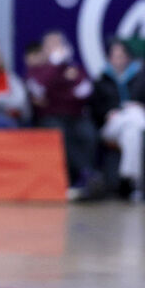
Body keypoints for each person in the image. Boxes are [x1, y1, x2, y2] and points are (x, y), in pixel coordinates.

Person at [26, 31, 99, 198]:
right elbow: (38, 90)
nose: (56, 49)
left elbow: (84, 91)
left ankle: (84, 179)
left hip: (75, 115)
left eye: (58, 44)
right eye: (51, 45)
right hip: (49, 116)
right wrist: (54, 68)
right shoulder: (37, 69)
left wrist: (55, 95)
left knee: (88, 133)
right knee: (60, 135)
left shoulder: (73, 69)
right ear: (44, 50)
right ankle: (86, 175)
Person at [91, 38, 145, 200]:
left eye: (121, 56)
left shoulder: (141, 79)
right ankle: (136, 182)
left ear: (128, 57)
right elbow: (94, 109)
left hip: (132, 125)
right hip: (110, 126)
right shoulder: (101, 81)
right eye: (115, 56)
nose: (118, 60)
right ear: (109, 58)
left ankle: (129, 178)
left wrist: (142, 107)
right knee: (137, 118)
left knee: (132, 132)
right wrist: (108, 113)